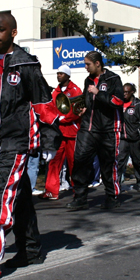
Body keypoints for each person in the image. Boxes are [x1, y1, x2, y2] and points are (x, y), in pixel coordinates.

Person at [0, 12, 59, 280]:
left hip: (17, 141)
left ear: (13, 32)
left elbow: (43, 102)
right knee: (19, 198)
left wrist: (50, 139)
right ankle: (30, 249)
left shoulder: (26, 63)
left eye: (1, 30)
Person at [66, 51, 124, 211]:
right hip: (88, 128)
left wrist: (99, 93)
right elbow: (87, 99)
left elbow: (118, 101)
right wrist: (83, 109)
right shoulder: (88, 80)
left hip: (107, 130)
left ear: (97, 63)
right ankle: (80, 197)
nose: (85, 67)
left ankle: (112, 197)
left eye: (88, 64)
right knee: (79, 161)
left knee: (107, 164)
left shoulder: (113, 79)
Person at [44, 65, 82, 200]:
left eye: (61, 74)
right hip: (58, 133)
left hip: (71, 132)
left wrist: (64, 118)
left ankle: (78, 190)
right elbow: (51, 107)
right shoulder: (56, 92)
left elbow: (78, 110)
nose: (58, 75)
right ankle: (51, 191)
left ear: (67, 75)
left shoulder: (76, 90)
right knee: (54, 161)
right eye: (58, 73)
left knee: (73, 163)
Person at [116, 83, 140, 190]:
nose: (124, 94)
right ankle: (116, 184)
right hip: (122, 138)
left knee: (138, 161)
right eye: (123, 92)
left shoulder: (139, 105)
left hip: (136, 138)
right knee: (119, 161)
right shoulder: (119, 104)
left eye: (127, 92)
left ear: (132, 92)